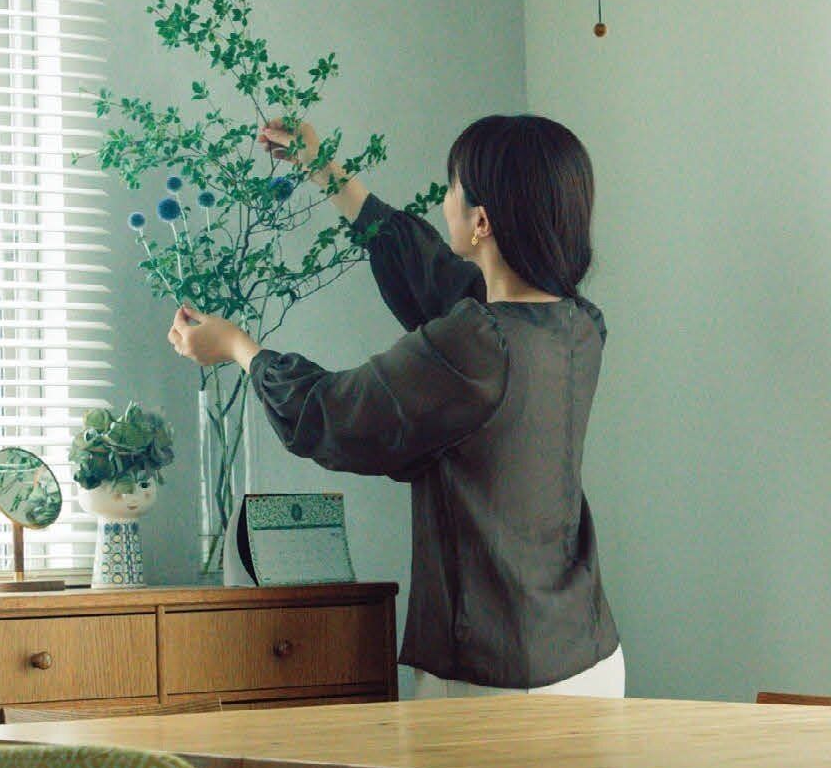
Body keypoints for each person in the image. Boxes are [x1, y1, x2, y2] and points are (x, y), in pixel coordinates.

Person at [166, 110, 626, 703]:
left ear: (481, 221)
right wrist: (326, 171)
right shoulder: (580, 325)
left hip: (494, 676)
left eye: (453, 187)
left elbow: (331, 413)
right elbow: (435, 277)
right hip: (589, 656)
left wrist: (236, 348)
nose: (444, 200)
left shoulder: (478, 343)